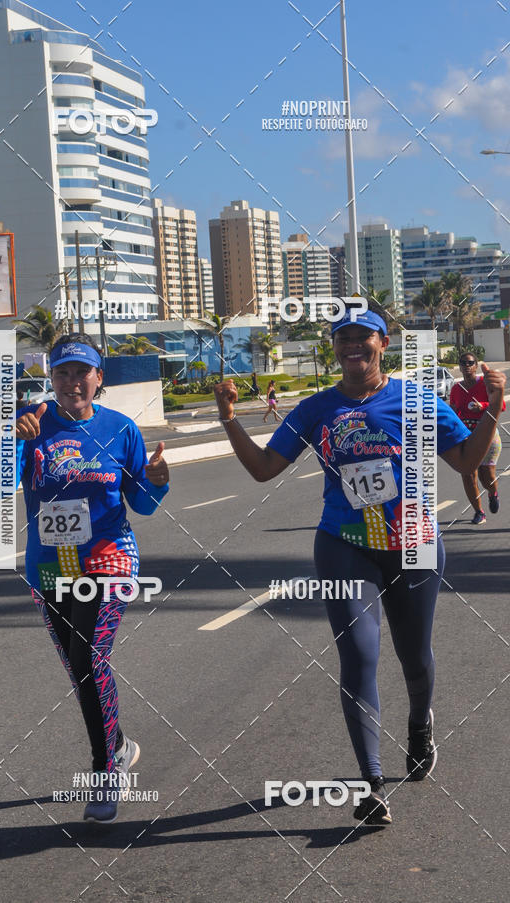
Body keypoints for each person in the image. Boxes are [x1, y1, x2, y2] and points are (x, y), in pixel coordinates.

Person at [213, 303, 506, 826]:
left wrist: (494, 406)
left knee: (414, 657)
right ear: (334, 346)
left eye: (363, 337)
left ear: (383, 343)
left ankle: (420, 722)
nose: (353, 346)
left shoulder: (416, 399)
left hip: (414, 540)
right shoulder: (315, 409)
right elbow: (263, 470)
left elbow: (464, 462)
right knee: (360, 657)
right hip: (344, 543)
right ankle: (370, 782)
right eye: (343, 337)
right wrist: (229, 419)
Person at [14, 333, 169, 824]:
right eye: (62, 372)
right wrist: (10, 440)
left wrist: (158, 480)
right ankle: (119, 744)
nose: (72, 381)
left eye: (82, 371)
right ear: (52, 379)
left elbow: (141, 503)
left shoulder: (121, 429)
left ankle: (106, 770)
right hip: (50, 567)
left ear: (99, 378)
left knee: (89, 654)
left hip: (109, 559)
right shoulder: (33, 427)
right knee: (80, 670)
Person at [449, 352, 505, 524]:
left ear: (475, 365)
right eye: (463, 363)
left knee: (486, 475)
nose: (466, 366)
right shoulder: (456, 389)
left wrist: (483, 406)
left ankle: (492, 492)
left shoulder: (484, 384)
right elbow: (453, 411)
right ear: (460, 367)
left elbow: (501, 405)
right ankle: (478, 512)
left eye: (470, 362)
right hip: (465, 437)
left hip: (487, 435)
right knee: (467, 475)